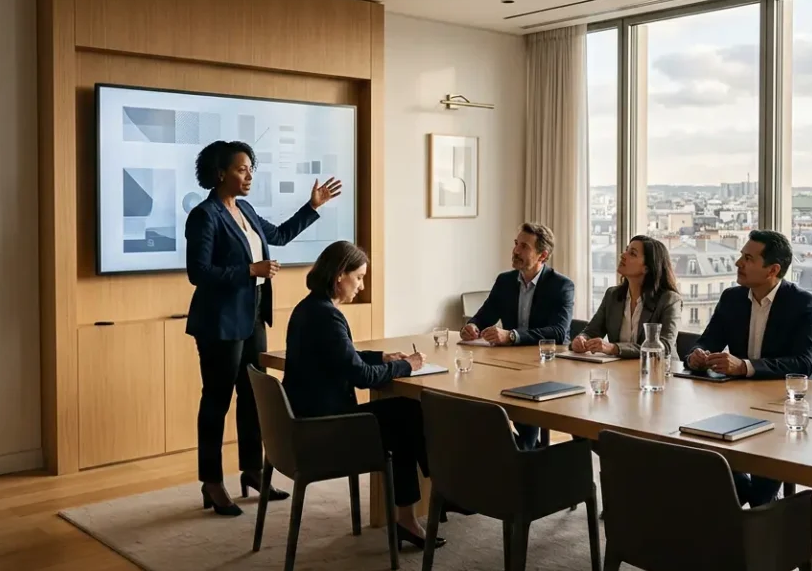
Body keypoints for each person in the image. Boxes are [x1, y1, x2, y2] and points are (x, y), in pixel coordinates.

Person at [186, 140, 342, 516]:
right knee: (217, 401)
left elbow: (280, 235)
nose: (249, 176)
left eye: (251, 169)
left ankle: (253, 471)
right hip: (220, 322)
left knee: (253, 397)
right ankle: (211, 481)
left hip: (253, 316)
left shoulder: (246, 209)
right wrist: (248, 270)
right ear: (220, 173)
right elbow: (198, 273)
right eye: (241, 169)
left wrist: (313, 207)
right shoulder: (205, 215)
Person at [282, 241, 445, 549]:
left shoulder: (309, 308)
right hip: (326, 430)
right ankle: (438, 491)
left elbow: (344, 357)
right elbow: (361, 377)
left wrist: (383, 357)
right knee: (408, 413)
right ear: (339, 276)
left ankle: (420, 508)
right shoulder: (327, 317)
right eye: (358, 277)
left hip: (306, 423)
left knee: (403, 415)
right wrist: (405, 366)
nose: (361, 285)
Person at [685, 229, 812, 507]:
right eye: (741, 256)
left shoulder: (805, 304)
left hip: (786, 407)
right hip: (739, 402)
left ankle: (756, 509)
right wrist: (696, 356)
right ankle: (755, 508)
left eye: (748, 259)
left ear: (773, 269)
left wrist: (745, 366)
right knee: (701, 452)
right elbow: (706, 341)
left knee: (755, 474)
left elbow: (804, 363)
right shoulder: (732, 298)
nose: (738, 263)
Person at [461, 223, 575, 449]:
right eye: (516, 244)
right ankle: (521, 451)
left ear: (543, 255)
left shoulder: (561, 286)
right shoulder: (505, 281)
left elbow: (559, 332)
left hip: (547, 370)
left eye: (524, 246)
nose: (515, 251)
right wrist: (472, 326)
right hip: (510, 367)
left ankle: (525, 452)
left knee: (517, 414)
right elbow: (484, 315)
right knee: (475, 406)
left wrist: (512, 336)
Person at [572, 235, 683, 359]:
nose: (623, 255)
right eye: (626, 250)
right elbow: (591, 331)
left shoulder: (669, 300)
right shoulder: (612, 295)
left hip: (660, 368)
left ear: (647, 268)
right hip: (621, 369)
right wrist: (581, 339)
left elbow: (664, 346)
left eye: (632, 253)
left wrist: (614, 348)